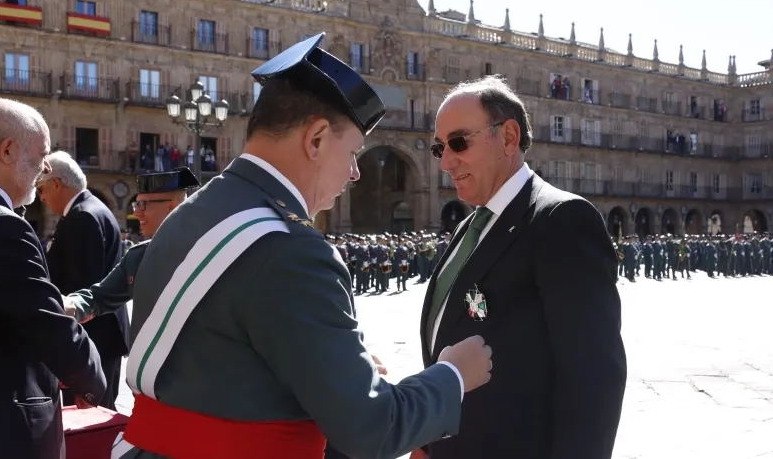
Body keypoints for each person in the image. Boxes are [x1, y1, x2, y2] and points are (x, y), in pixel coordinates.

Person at [112, 33, 493, 459]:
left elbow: (219, 352)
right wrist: (454, 375)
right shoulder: (291, 250)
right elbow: (371, 428)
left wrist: (331, 360)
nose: (355, 174)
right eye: (351, 153)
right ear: (315, 140)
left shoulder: (198, 209)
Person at [416, 76, 627, 459]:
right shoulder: (471, 226)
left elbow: (594, 377)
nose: (446, 161)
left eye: (459, 142)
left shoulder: (561, 219)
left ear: (509, 137)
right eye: (439, 148)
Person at [0, 98, 105, 459]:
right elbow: (46, 327)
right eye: (42, 153)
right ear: (8, 150)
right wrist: (93, 379)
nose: (45, 167)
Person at [37, 151, 128, 410]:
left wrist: (73, 352)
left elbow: (82, 287)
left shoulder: (82, 217)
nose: (41, 197)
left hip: (93, 338)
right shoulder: (95, 209)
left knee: (90, 422)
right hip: (104, 335)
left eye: (42, 189)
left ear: (56, 183)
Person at [63, 167, 200, 324]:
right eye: (136, 205)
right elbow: (98, 297)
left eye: (143, 205)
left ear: (172, 207)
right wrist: (70, 304)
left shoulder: (206, 252)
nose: (137, 213)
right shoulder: (138, 257)